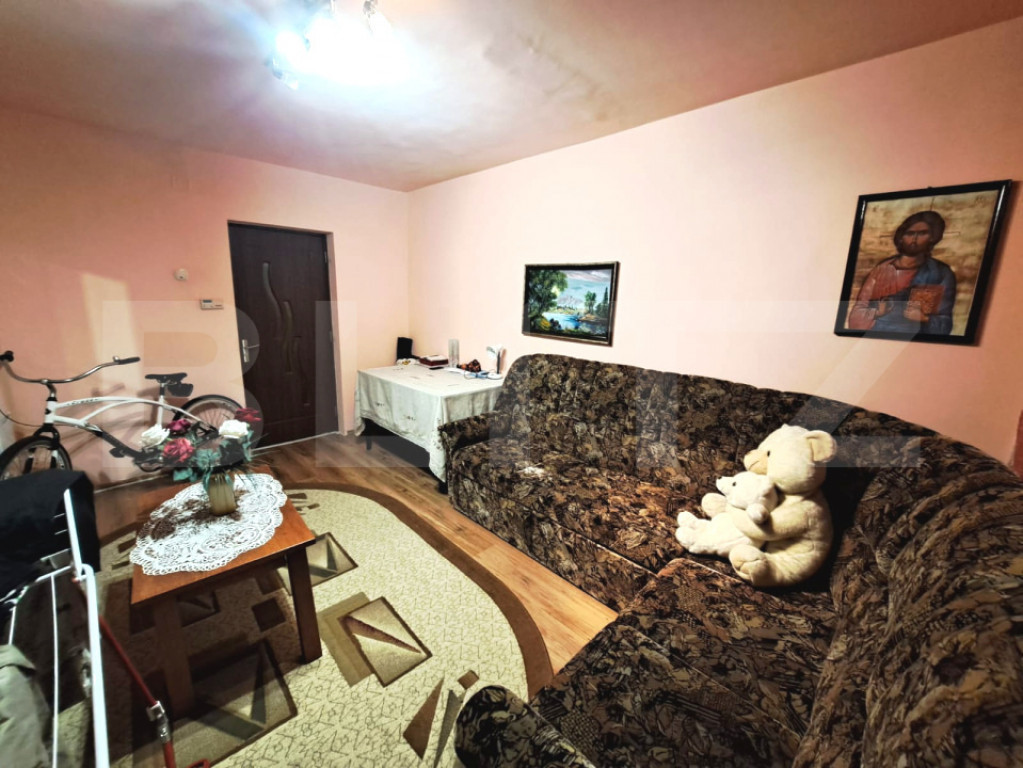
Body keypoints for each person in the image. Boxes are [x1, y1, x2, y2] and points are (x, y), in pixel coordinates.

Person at [847, 210, 956, 334]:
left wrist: (924, 318)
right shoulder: (881, 269)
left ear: (932, 237)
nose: (914, 239)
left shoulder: (940, 273)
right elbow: (858, 311)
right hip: (878, 336)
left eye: (922, 233)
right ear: (901, 237)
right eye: (909, 233)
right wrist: (877, 312)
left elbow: (945, 323)